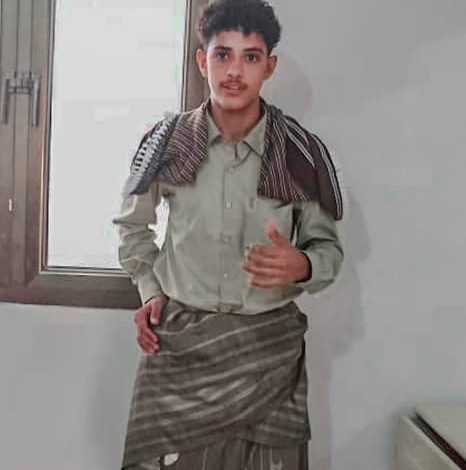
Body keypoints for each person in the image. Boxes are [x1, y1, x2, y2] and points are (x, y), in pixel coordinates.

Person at [112, 0, 344, 468]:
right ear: (203, 61)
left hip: (269, 357)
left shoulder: (300, 153)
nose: (234, 71)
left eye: (250, 56)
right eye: (223, 55)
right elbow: (132, 227)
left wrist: (302, 264)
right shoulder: (167, 142)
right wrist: (150, 290)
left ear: (269, 66)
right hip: (180, 351)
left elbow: (328, 251)